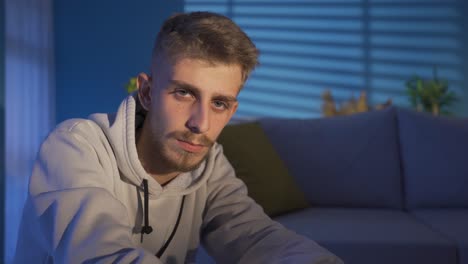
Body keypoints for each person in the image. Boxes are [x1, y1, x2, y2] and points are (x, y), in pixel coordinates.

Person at [14, 11, 343, 264]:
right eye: (184, 93)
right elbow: (103, 255)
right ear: (146, 92)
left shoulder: (210, 166)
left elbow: (257, 237)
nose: (201, 123)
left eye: (219, 103)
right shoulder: (73, 146)